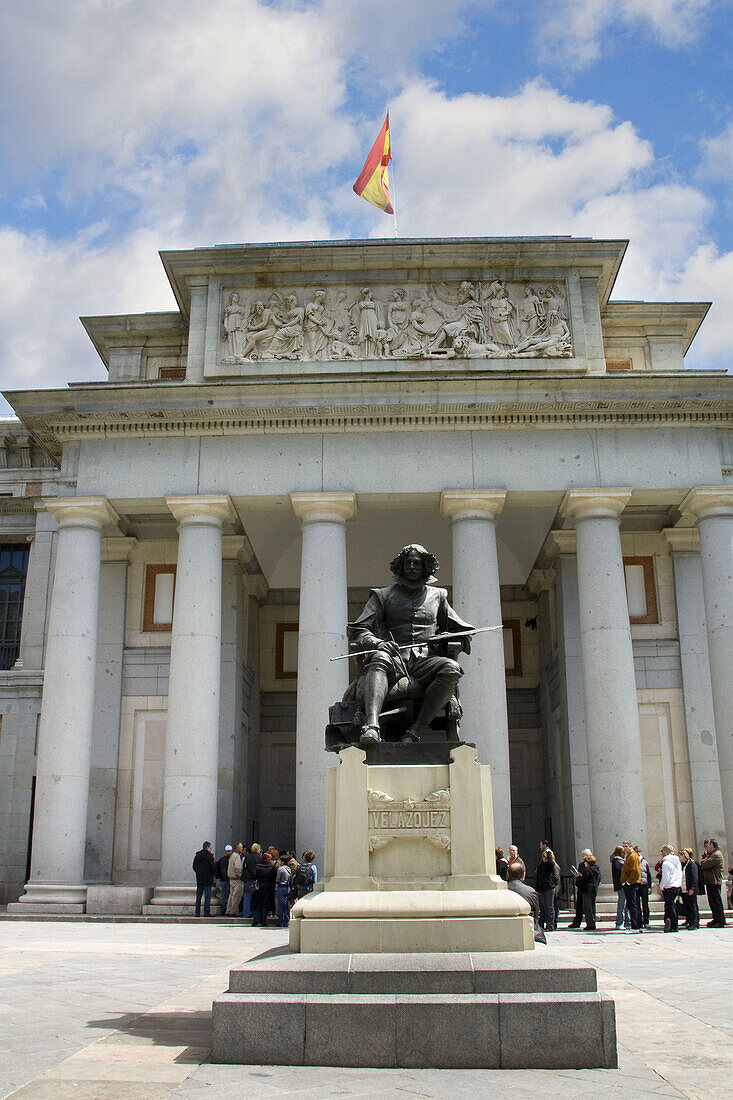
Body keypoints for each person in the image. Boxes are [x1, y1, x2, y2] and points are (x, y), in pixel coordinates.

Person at [346, 544, 474, 745]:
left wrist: (448, 636)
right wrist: (378, 642)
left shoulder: (439, 596)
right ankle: (372, 727)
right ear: (401, 567)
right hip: (394, 660)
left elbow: (464, 631)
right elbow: (358, 629)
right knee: (379, 657)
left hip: (426, 663)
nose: (412, 566)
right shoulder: (382, 596)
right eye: (408, 562)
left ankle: (414, 732)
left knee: (451, 668)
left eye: (417, 563)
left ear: (425, 567)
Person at [507, 860, 546, 944]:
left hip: (507, 930)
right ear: (524, 875)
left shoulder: (501, 892)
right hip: (528, 930)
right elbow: (536, 915)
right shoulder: (531, 892)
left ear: (508, 875)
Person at [700, 838, 727, 927]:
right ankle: (716, 919)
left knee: (716, 902)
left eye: (708, 846)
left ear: (712, 846)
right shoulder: (712, 855)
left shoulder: (716, 855)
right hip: (710, 881)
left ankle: (720, 920)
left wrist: (704, 861)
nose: (707, 847)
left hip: (714, 881)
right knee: (712, 901)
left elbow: (704, 864)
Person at [660, 844, 682, 932]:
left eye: (662, 851)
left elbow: (665, 877)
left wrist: (662, 886)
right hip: (676, 885)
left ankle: (673, 925)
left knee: (670, 906)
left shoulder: (666, 863)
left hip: (669, 887)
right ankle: (671, 924)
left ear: (665, 851)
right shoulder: (677, 862)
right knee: (672, 906)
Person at [576, 850, 601, 930]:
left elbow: (583, 880)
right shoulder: (595, 869)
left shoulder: (588, 870)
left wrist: (579, 877)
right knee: (592, 906)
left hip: (587, 890)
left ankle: (590, 924)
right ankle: (592, 923)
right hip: (594, 889)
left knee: (588, 907)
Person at [621, 842, 642, 931]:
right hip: (630, 883)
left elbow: (635, 871)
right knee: (632, 904)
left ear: (630, 847)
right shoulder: (629, 856)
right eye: (623, 846)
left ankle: (635, 925)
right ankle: (636, 925)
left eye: (626, 846)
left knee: (633, 905)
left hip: (632, 884)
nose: (624, 848)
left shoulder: (633, 856)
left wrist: (628, 882)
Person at [535, 847, 558, 931]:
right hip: (542, 888)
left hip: (549, 887)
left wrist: (548, 854)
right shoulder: (541, 865)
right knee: (544, 907)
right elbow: (537, 876)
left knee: (549, 907)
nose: (544, 858)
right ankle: (544, 924)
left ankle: (550, 925)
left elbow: (551, 864)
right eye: (543, 857)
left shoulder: (550, 865)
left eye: (546, 857)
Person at [192, 841, 217, 918]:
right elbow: (213, 867)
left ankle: (197, 912)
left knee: (198, 897)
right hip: (208, 879)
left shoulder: (197, 856)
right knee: (207, 897)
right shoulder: (209, 857)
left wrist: (199, 873)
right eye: (210, 848)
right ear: (208, 848)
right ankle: (206, 912)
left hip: (199, 879)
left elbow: (194, 867)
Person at [252, 851, 276, 926]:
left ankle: (256, 920)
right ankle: (263, 921)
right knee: (265, 905)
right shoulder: (272, 868)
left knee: (257, 904)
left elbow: (254, 876)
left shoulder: (258, 866)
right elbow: (274, 879)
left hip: (259, 887)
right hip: (268, 888)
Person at [679, 848, 700, 929]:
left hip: (689, 889)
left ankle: (694, 923)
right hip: (684, 889)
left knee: (692, 906)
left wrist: (692, 888)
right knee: (687, 906)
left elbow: (694, 877)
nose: (679, 858)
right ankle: (689, 921)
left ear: (684, 856)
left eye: (680, 856)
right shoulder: (683, 865)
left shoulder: (691, 864)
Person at [611, 845, 630, 930]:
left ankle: (627, 921)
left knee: (625, 903)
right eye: (623, 852)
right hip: (621, 884)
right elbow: (626, 868)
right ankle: (620, 922)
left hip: (621, 884)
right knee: (622, 904)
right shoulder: (618, 861)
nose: (624, 854)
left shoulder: (617, 861)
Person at [635, 845, 652, 928]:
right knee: (637, 904)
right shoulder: (633, 861)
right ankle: (639, 921)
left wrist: (650, 886)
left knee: (645, 904)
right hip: (636, 884)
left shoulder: (645, 862)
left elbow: (648, 874)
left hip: (644, 884)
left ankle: (646, 921)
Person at [225, 843, 244, 916]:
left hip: (231, 878)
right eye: (241, 847)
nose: (242, 849)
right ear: (237, 848)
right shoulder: (237, 856)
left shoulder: (232, 856)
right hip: (236, 879)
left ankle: (228, 910)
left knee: (231, 895)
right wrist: (240, 875)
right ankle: (234, 911)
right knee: (236, 895)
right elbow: (238, 867)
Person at [274, 858, 292, 926]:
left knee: (280, 905)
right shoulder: (288, 869)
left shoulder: (280, 869)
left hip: (281, 887)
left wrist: (276, 887)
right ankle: (286, 920)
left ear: (282, 861)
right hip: (287, 887)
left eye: (279, 860)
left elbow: (278, 879)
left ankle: (280, 921)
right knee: (286, 905)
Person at [217, 844, 233, 916]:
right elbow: (223, 870)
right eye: (228, 851)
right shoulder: (224, 860)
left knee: (227, 895)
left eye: (230, 851)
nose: (229, 853)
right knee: (225, 895)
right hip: (225, 880)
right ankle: (224, 909)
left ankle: (226, 909)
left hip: (226, 879)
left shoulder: (224, 859)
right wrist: (228, 878)